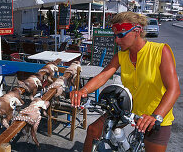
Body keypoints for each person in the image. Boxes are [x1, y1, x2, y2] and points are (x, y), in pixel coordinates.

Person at [70, 11, 180, 152]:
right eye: (115, 36)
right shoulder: (121, 55)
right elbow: (104, 75)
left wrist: (156, 116)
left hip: (155, 116)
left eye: (121, 35)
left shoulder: (160, 51)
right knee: (93, 130)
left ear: (137, 31)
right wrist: (83, 91)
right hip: (128, 110)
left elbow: (174, 89)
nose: (116, 40)